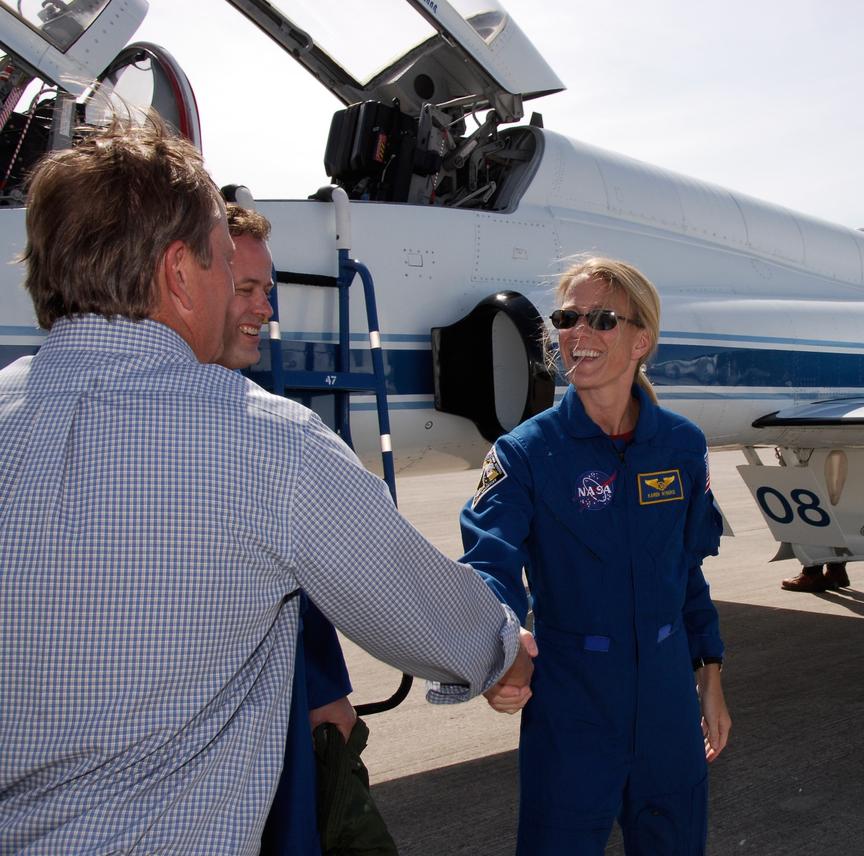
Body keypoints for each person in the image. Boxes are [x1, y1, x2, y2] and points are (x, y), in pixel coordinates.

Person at [0, 119, 532, 853]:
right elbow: (430, 617)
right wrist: (506, 653)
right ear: (180, 273)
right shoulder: (264, 441)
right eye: (227, 264)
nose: (255, 301)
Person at [461, 257, 731, 854]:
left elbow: (687, 571)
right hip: (572, 707)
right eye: (567, 317)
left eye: (601, 319)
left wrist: (709, 673)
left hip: (667, 707)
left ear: (642, 340)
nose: (577, 333)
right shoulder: (526, 454)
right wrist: (496, 648)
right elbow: (489, 564)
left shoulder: (681, 445)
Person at [217, 204, 370, 854]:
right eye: (247, 290)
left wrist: (327, 687)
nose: (266, 309)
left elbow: (290, 575)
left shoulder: (250, 419)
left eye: (269, 290)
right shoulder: (252, 431)